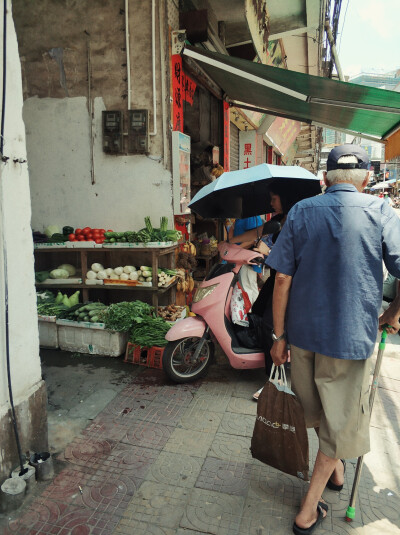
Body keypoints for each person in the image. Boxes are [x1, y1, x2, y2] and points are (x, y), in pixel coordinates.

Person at [265, 144, 400, 534]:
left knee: (320, 414)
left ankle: (335, 471)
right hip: (350, 339)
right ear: (367, 178)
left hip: (304, 336)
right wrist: (391, 316)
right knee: (338, 421)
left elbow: (282, 279)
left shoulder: (303, 211)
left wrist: (278, 337)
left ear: (324, 179)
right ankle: (308, 510)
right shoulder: (379, 211)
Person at [231, 182, 312, 400]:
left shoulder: (298, 221)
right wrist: (231, 244)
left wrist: (268, 253)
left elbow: (287, 254)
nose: (271, 203)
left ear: (285, 200)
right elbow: (258, 236)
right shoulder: (277, 221)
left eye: (274, 199)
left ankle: (275, 380)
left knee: (271, 324)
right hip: (276, 278)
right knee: (257, 313)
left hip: (292, 281)